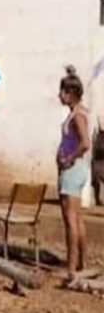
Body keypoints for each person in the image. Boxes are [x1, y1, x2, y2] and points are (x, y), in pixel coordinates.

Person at [57, 65, 91, 284]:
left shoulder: (77, 116)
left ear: (70, 94)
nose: (59, 95)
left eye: (62, 91)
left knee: (70, 220)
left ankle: (71, 267)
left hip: (72, 170)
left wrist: (68, 158)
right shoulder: (78, 113)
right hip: (77, 170)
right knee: (77, 219)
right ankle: (80, 263)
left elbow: (85, 143)